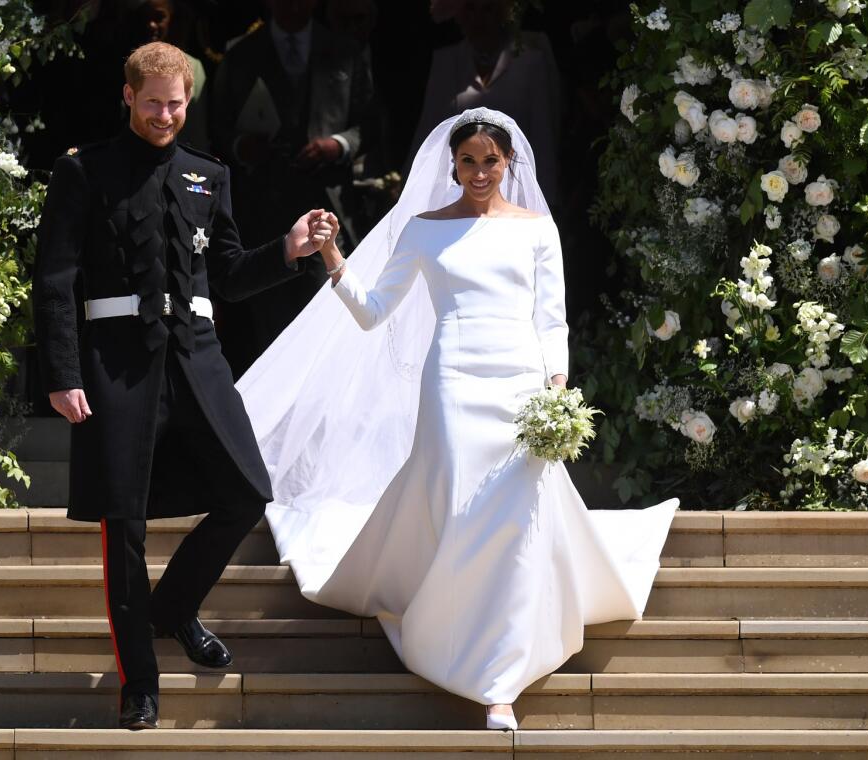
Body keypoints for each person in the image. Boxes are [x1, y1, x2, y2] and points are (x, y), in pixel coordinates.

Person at [236, 108, 678, 729]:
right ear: (453, 164)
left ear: (508, 164)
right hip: (450, 381)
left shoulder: (536, 230)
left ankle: (501, 678)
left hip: (522, 383)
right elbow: (371, 312)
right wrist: (334, 256)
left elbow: (552, 319)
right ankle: (470, 651)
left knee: (515, 517)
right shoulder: (423, 229)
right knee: (458, 503)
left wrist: (557, 391)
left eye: (490, 161)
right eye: (467, 161)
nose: (478, 172)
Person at [32, 41, 332, 731]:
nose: (165, 115)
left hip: (196, 360)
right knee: (124, 524)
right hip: (114, 365)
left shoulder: (208, 174)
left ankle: (171, 612)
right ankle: (140, 682)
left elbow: (225, 274)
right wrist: (63, 373)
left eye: (176, 103)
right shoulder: (85, 171)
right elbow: (55, 280)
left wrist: (287, 251)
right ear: (129, 97)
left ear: (187, 101)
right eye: (153, 102)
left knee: (246, 492)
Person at [210, 0, 375, 372]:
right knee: (273, 331)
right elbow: (218, 127)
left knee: (333, 318)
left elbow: (372, 124)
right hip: (264, 214)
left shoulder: (345, 50)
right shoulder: (242, 53)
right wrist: (243, 146)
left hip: (327, 207)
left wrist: (338, 145)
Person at [409, 0, 562, 209]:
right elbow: (428, 132)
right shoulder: (445, 61)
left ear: (502, 13)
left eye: (488, 8)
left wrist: (544, 202)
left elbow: (542, 136)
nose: (479, 18)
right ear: (459, 15)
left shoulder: (529, 62)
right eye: (470, 8)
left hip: (517, 195)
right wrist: (411, 197)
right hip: (456, 195)